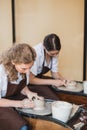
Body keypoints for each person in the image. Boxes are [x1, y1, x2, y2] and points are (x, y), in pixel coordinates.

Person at [0, 43, 40, 130]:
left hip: (11, 97)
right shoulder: (1, 72)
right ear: (13, 62)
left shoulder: (24, 68)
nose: (28, 72)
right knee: (22, 126)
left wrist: (28, 92)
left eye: (30, 67)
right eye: (24, 69)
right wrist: (20, 104)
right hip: (1, 103)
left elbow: (21, 85)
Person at [29, 33, 67, 100]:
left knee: (60, 92)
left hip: (39, 78)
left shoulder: (54, 52)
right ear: (44, 46)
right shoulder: (36, 53)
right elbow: (30, 80)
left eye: (57, 53)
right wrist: (53, 82)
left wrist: (64, 80)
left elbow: (54, 73)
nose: (55, 55)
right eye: (52, 54)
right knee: (53, 98)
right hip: (29, 83)